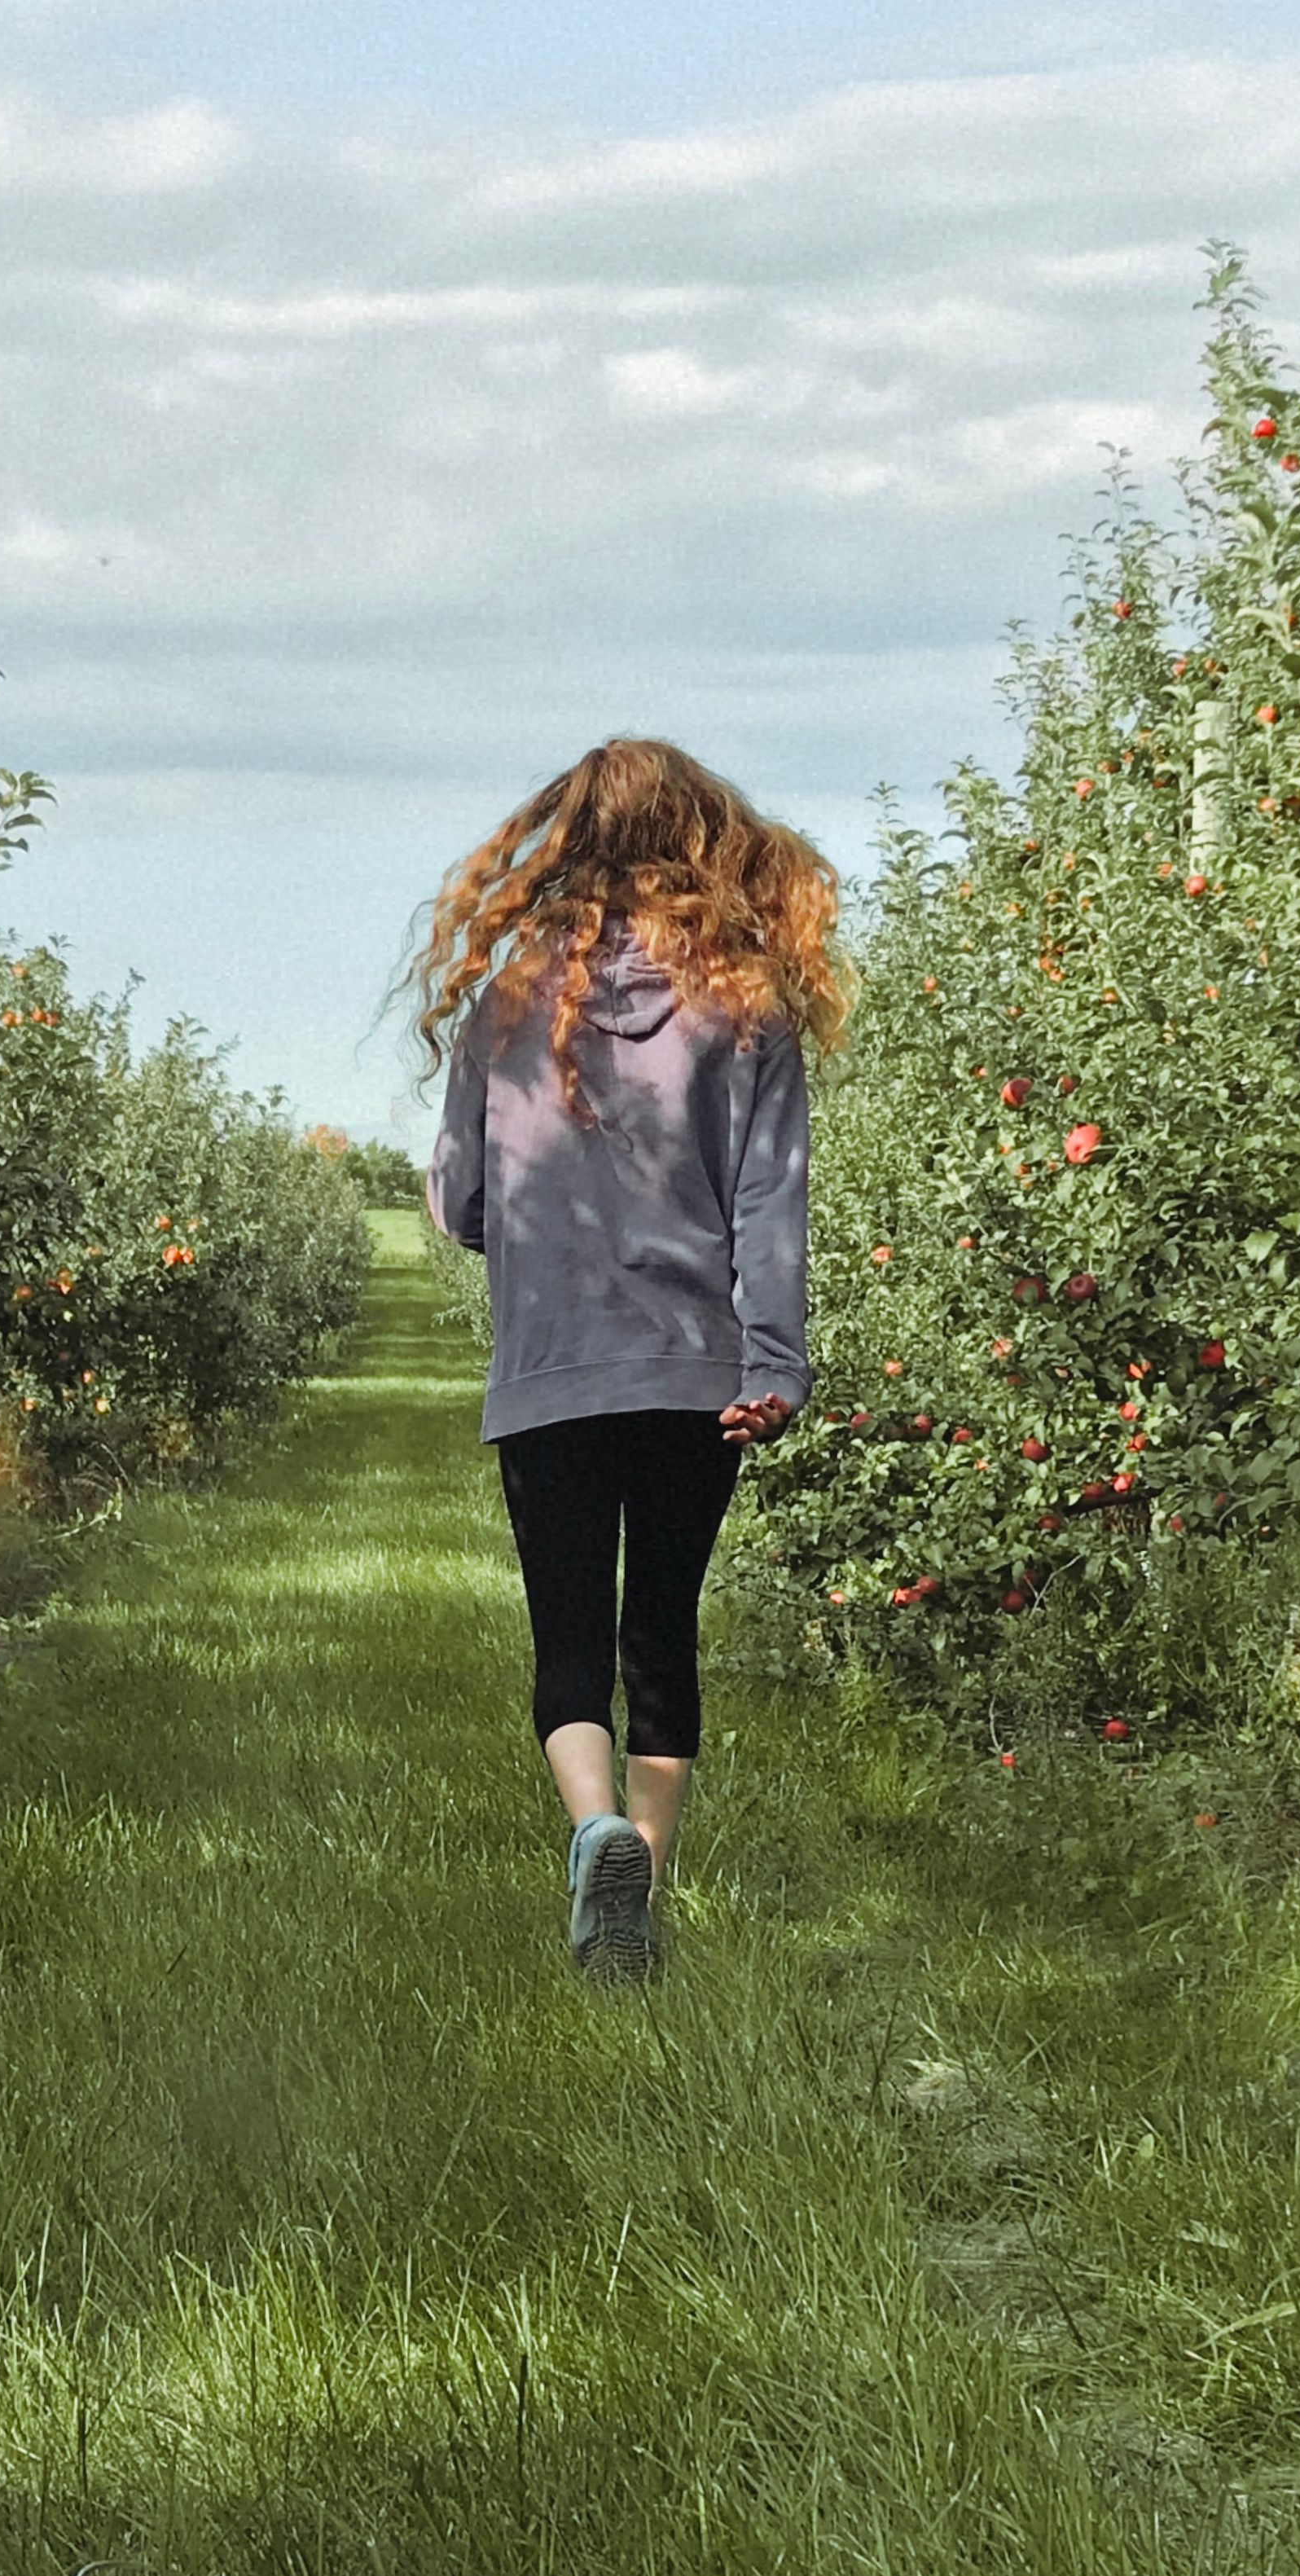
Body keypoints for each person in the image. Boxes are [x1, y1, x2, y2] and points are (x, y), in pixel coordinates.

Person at [419, 740, 841, 1980]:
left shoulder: (507, 1003)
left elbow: (461, 1202)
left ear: (565, 845)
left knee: (567, 1636)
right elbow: (770, 1207)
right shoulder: (747, 1008)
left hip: (551, 1370)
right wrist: (775, 1366)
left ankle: (592, 1827)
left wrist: (522, 1223)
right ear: (706, 842)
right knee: (660, 1629)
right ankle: (640, 1887)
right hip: (696, 1373)